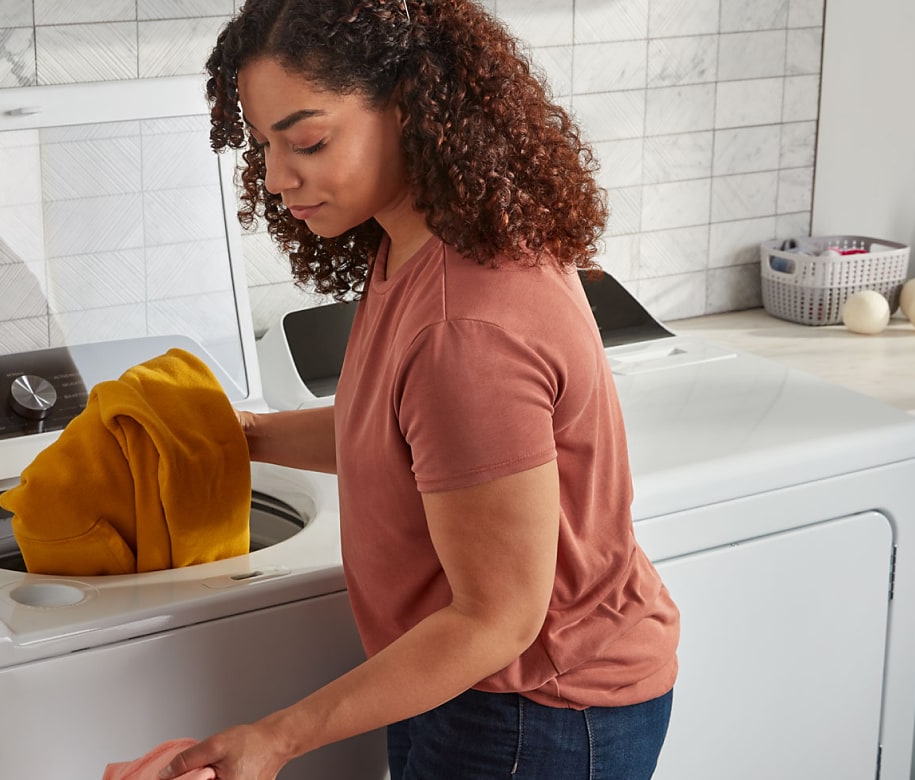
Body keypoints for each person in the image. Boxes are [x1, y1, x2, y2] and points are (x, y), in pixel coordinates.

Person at [161, 1, 679, 777]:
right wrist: (242, 435)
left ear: (408, 106)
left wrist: (276, 738)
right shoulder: (424, 239)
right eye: (264, 145)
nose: (274, 179)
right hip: (466, 687)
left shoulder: (462, 331)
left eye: (307, 141)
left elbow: (495, 621)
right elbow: (392, 440)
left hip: (534, 716)